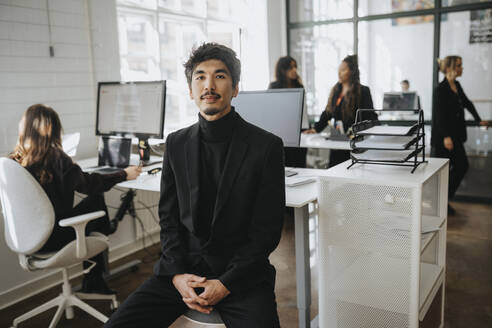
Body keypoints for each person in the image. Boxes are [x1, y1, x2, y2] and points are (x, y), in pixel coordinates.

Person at [105, 43, 285, 327]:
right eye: (200, 77)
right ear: (190, 91)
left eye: (220, 76)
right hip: (183, 274)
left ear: (236, 88)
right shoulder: (176, 143)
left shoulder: (266, 147)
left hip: (240, 278)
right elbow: (169, 219)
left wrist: (225, 283)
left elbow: (266, 232)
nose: (209, 85)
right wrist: (176, 275)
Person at [9, 104, 142, 294]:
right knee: (95, 199)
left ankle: (94, 278)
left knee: (90, 210)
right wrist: (124, 174)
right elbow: (89, 185)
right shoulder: (55, 156)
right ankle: (95, 276)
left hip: (29, 239)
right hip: (56, 236)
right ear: (54, 130)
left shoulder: (15, 159)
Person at [431, 55, 488, 215]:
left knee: (462, 166)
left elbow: (467, 103)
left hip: (455, 136)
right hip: (444, 139)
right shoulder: (440, 89)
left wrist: (479, 120)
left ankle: (443, 200)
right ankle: (441, 202)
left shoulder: (456, 85)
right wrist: (446, 137)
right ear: (450, 68)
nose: (462, 68)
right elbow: (439, 115)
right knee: (444, 172)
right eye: (459, 65)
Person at [304, 54, 377, 167]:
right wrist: (315, 129)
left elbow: (370, 116)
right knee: (335, 170)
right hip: (337, 142)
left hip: (354, 142)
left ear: (352, 71)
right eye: (338, 70)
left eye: (343, 70)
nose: (339, 73)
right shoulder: (336, 90)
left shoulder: (363, 91)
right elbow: (327, 112)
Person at [268, 55, 308, 167]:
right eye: (291, 68)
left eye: (295, 67)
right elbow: (271, 111)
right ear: (282, 70)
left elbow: (303, 111)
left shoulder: (299, 86)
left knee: (300, 165)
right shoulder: (274, 87)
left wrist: (306, 128)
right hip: (281, 133)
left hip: (300, 133)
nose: (294, 70)